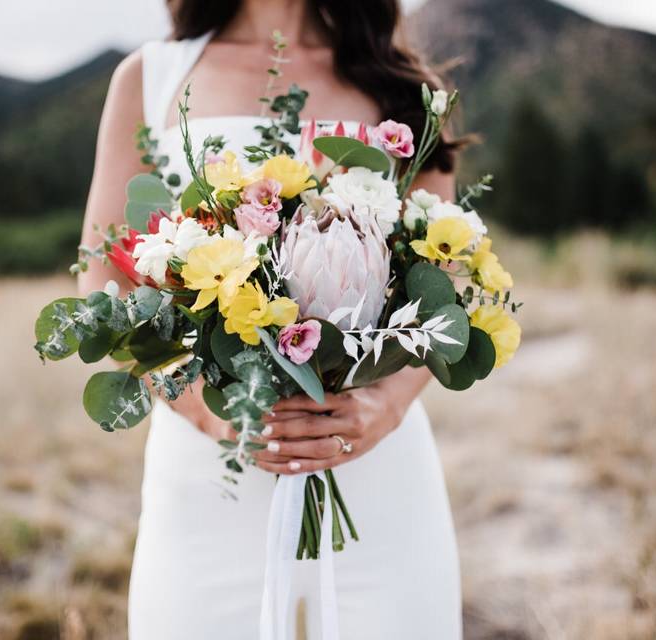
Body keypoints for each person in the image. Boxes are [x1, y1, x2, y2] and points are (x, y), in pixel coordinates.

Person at [78, 1, 462, 637]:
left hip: (375, 472)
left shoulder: (402, 85)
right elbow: (104, 274)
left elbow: (447, 276)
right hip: (209, 477)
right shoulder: (150, 79)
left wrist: (383, 406)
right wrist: (208, 407)